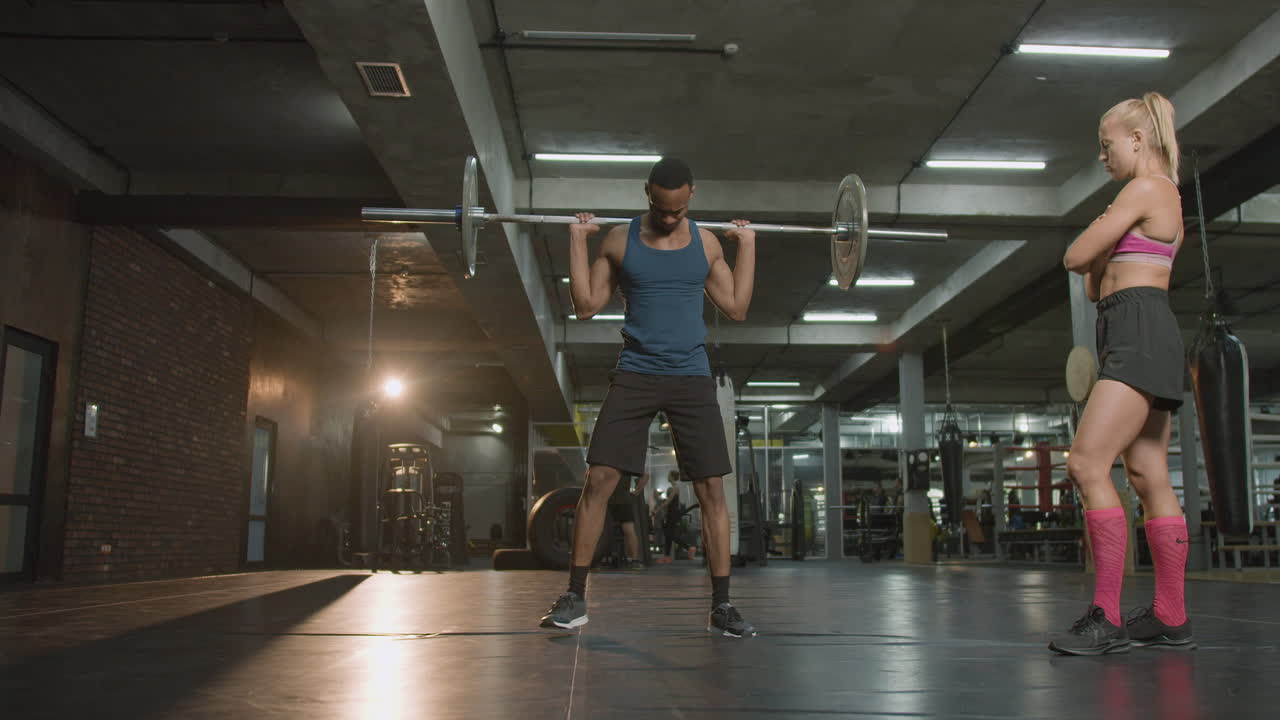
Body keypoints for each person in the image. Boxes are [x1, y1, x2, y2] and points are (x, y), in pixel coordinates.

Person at [538, 157, 758, 637]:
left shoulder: (706, 243)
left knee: (711, 491)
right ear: (648, 194)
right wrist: (577, 240)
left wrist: (749, 246)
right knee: (598, 480)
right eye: (661, 208)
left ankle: (722, 605)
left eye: (678, 210)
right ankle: (575, 596)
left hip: (690, 376)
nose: (669, 217)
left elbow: (737, 307)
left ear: (691, 197)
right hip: (636, 372)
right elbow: (585, 305)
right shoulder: (620, 240)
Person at [1055, 92, 1193, 655]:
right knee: (1145, 470)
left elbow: (1073, 257)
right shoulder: (1151, 198)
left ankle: (1106, 616)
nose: (1102, 156)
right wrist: (1102, 241)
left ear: (1137, 140)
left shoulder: (1145, 189)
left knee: (1086, 461)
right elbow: (1092, 283)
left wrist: (1101, 232)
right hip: (1129, 325)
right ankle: (1170, 615)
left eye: (1106, 144)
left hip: (1138, 329)